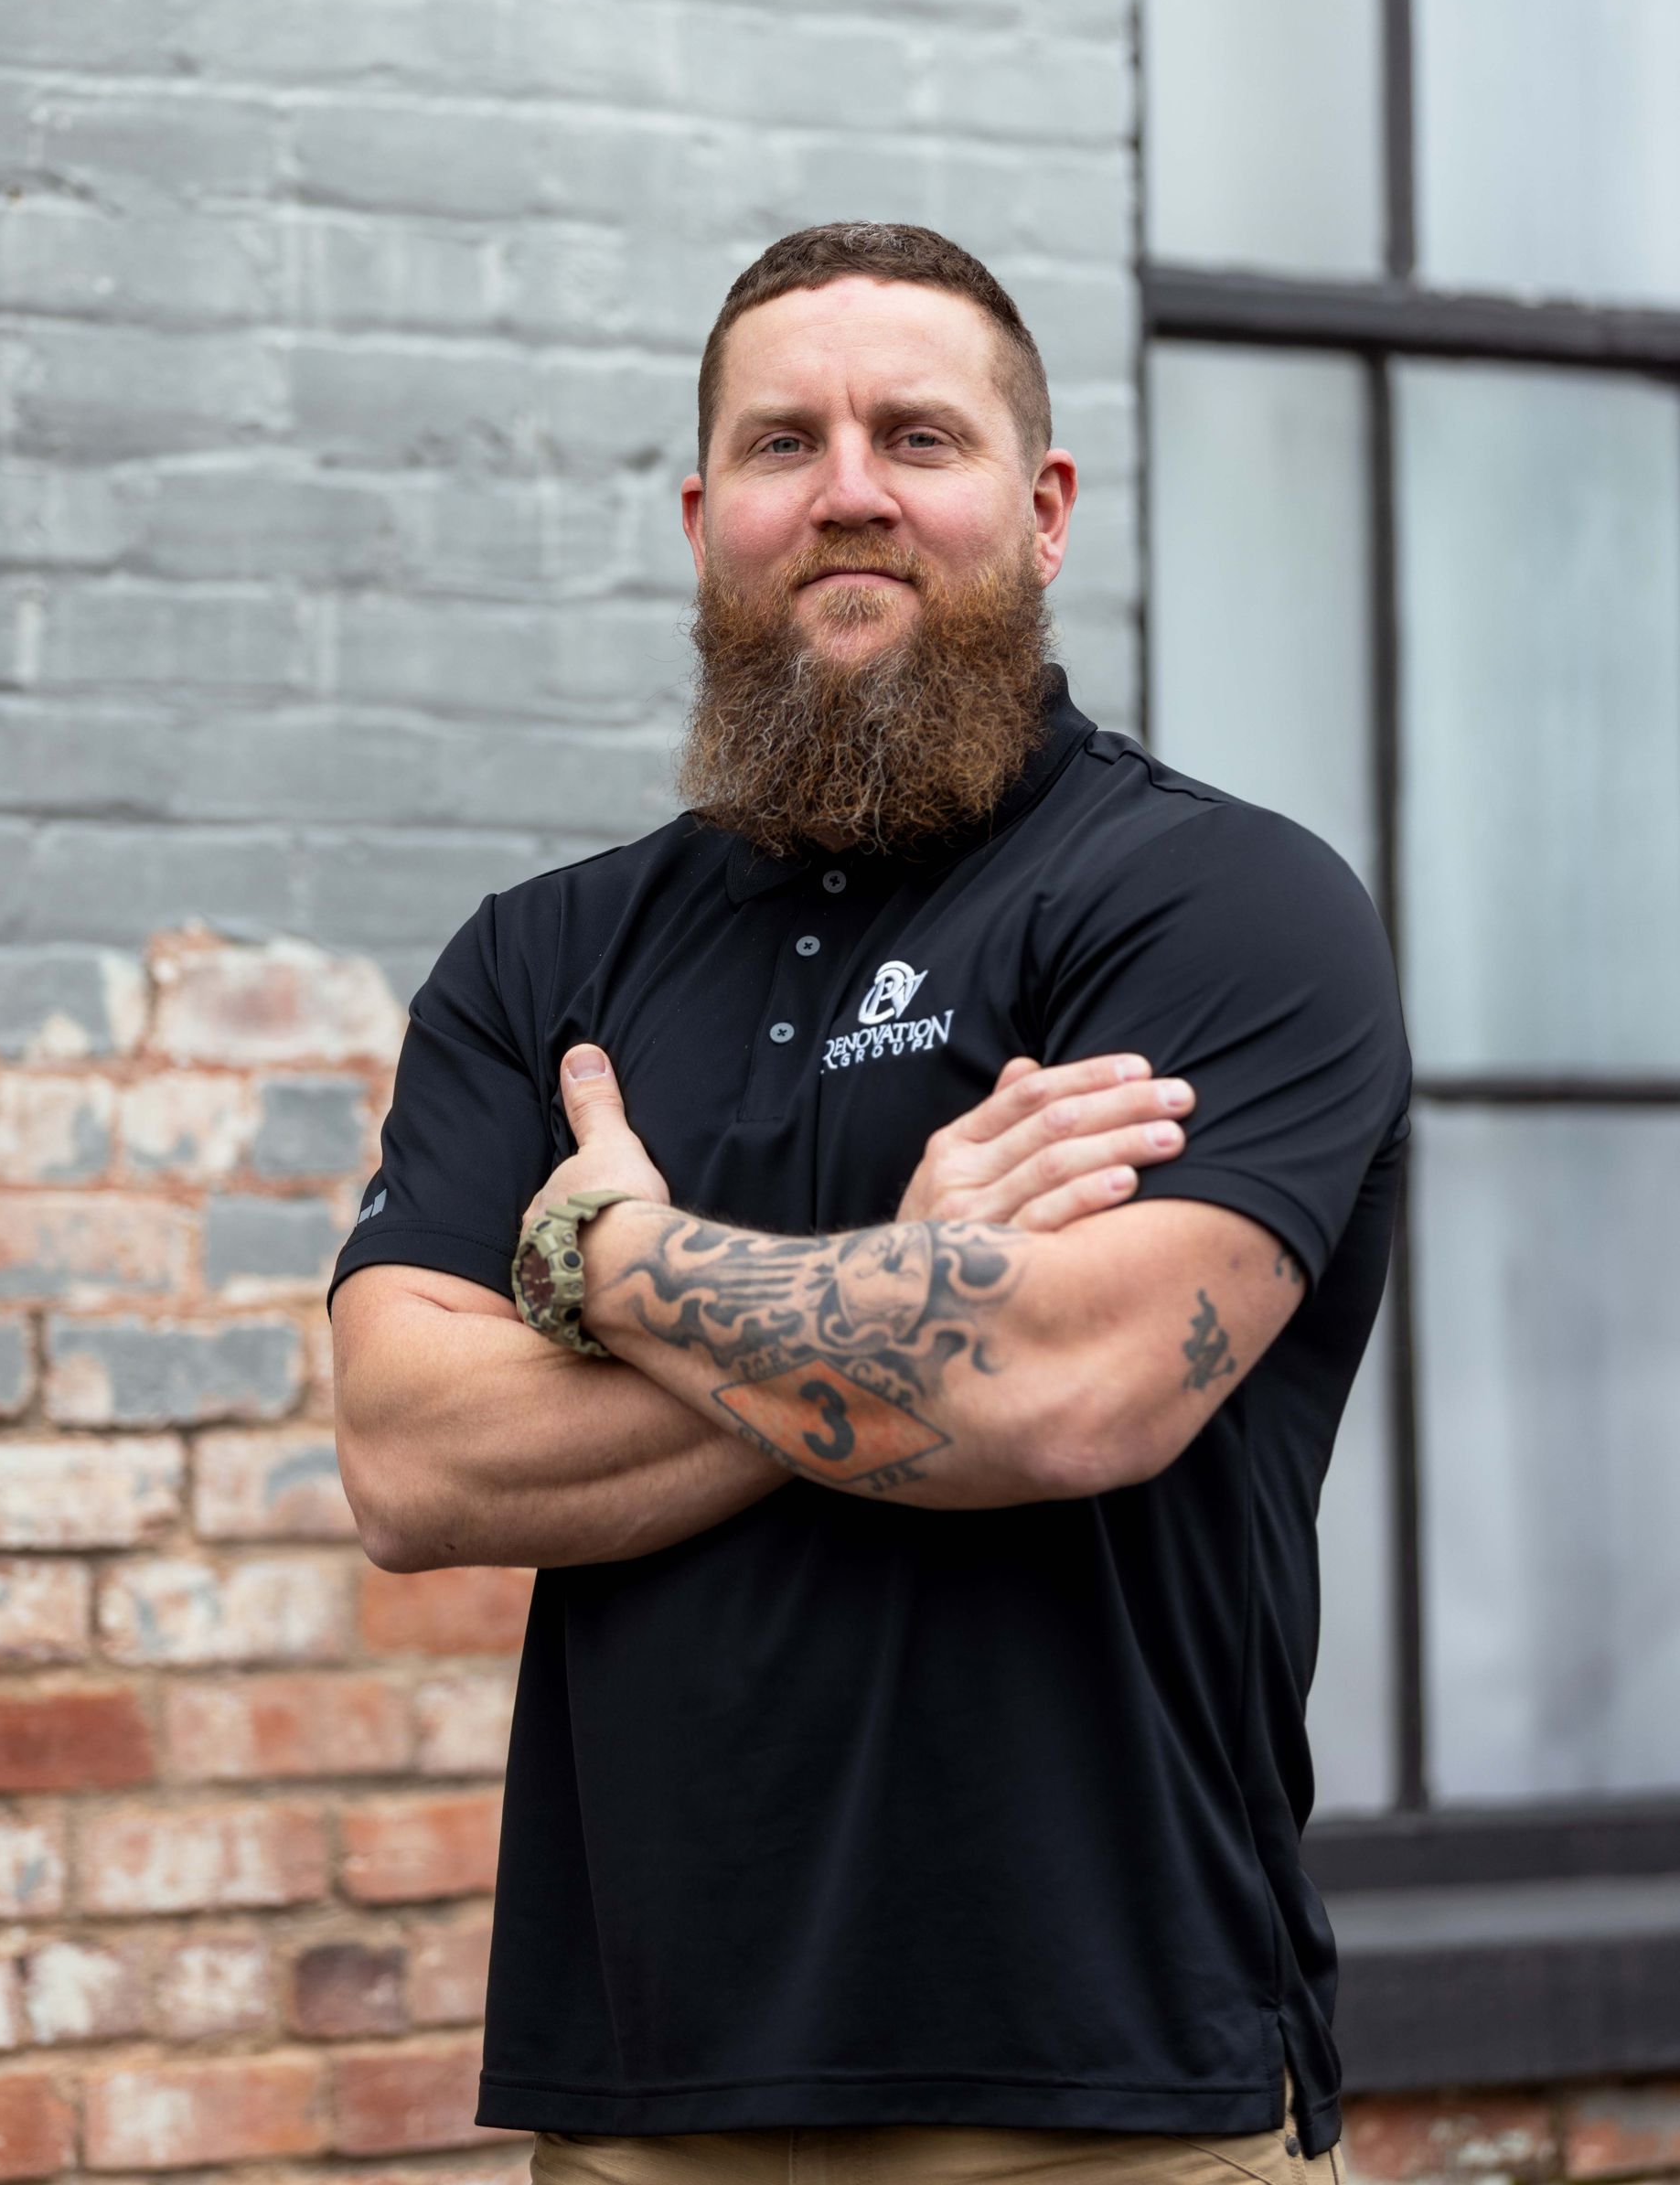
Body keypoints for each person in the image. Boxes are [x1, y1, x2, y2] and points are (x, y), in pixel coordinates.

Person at [327, 221, 1409, 2185]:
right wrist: (906, 1291)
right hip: (645, 2099)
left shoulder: (1218, 910)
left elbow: (1067, 1390)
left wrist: (613, 1257)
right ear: (701, 514)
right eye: (781, 445)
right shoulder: (539, 961)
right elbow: (413, 1464)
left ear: (1044, 504)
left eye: (917, 434)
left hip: (1112, 2092)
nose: (849, 495)